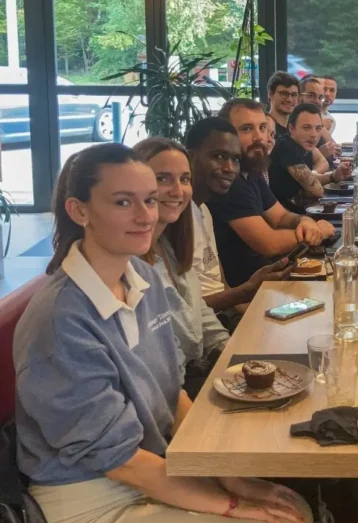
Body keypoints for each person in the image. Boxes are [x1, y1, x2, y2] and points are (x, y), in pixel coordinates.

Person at [13, 143, 316, 523]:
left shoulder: (143, 277)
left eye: (149, 200)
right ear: (79, 211)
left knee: (293, 508)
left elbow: (172, 390)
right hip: (88, 503)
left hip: (152, 469)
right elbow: (120, 460)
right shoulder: (62, 320)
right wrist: (229, 502)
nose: (146, 215)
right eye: (123, 202)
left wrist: (226, 476)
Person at [133, 137, 230, 398]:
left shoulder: (170, 245)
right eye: (163, 178)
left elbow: (198, 312)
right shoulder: (126, 264)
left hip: (193, 376)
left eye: (184, 179)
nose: (178, 191)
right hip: (172, 392)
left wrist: (229, 352)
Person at [207, 99, 334, 288]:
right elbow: (269, 244)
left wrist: (303, 221)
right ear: (225, 136)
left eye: (263, 128)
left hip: (271, 275)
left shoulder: (251, 170)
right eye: (247, 129)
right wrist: (317, 232)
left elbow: (280, 216)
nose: (260, 137)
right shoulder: (228, 181)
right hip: (250, 291)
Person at [185, 116, 293, 322]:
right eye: (218, 156)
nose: (229, 168)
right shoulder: (174, 222)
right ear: (190, 157)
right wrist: (246, 293)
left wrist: (257, 319)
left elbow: (220, 284)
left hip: (224, 317)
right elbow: (180, 313)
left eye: (235, 159)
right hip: (205, 328)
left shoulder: (204, 211)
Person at [268, 103, 351, 214]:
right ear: (292, 129)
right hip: (283, 218)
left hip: (295, 212)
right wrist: (308, 188)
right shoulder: (287, 146)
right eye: (307, 128)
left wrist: (334, 176)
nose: (313, 134)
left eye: (318, 128)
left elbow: (311, 178)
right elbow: (316, 190)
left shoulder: (302, 146)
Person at [299, 75, 340, 161]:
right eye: (311, 95)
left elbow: (335, 149)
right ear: (300, 96)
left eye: (320, 97)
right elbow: (301, 161)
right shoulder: (296, 123)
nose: (327, 94)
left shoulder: (324, 120)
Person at [267, 70, 300, 139]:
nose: (289, 100)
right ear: (270, 95)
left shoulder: (294, 130)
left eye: (294, 95)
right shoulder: (265, 128)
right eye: (284, 94)